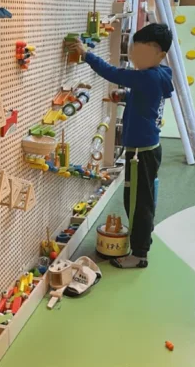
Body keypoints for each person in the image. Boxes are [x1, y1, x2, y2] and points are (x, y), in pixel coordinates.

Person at [68, 23, 174, 269]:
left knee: (137, 204)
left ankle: (139, 254)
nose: (135, 57)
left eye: (141, 52)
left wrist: (86, 54)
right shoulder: (159, 74)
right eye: (133, 51)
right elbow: (147, 96)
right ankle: (141, 245)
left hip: (140, 153)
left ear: (158, 53)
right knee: (139, 200)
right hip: (147, 149)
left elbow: (115, 74)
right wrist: (124, 97)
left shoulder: (146, 76)